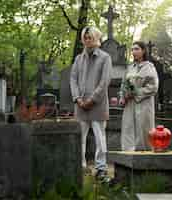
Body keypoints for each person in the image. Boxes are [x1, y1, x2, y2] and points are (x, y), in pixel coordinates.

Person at [70, 26, 112, 180]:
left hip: (97, 104)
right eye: (85, 38)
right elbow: (73, 79)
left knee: (100, 137)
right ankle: (80, 166)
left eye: (90, 37)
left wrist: (92, 99)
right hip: (80, 105)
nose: (88, 40)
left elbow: (105, 81)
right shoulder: (79, 59)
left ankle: (100, 168)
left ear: (97, 38)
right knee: (79, 137)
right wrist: (77, 98)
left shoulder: (105, 57)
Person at [119, 41, 159, 151]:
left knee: (143, 129)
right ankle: (128, 155)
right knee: (128, 128)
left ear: (143, 51)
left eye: (136, 49)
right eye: (132, 49)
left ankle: (144, 157)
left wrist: (136, 92)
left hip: (143, 104)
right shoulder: (130, 67)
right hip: (129, 104)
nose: (133, 52)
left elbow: (154, 87)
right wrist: (122, 97)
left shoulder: (149, 67)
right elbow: (123, 84)